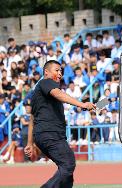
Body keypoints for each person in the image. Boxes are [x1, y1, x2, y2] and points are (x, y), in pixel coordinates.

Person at [24, 60, 96, 188]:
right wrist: (82, 104)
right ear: (46, 72)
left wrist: (30, 143)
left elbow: (32, 119)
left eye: (61, 71)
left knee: (66, 170)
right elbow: (59, 94)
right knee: (68, 164)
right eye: (56, 70)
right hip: (50, 134)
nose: (60, 74)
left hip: (44, 135)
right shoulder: (46, 82)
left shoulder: (37, 92)